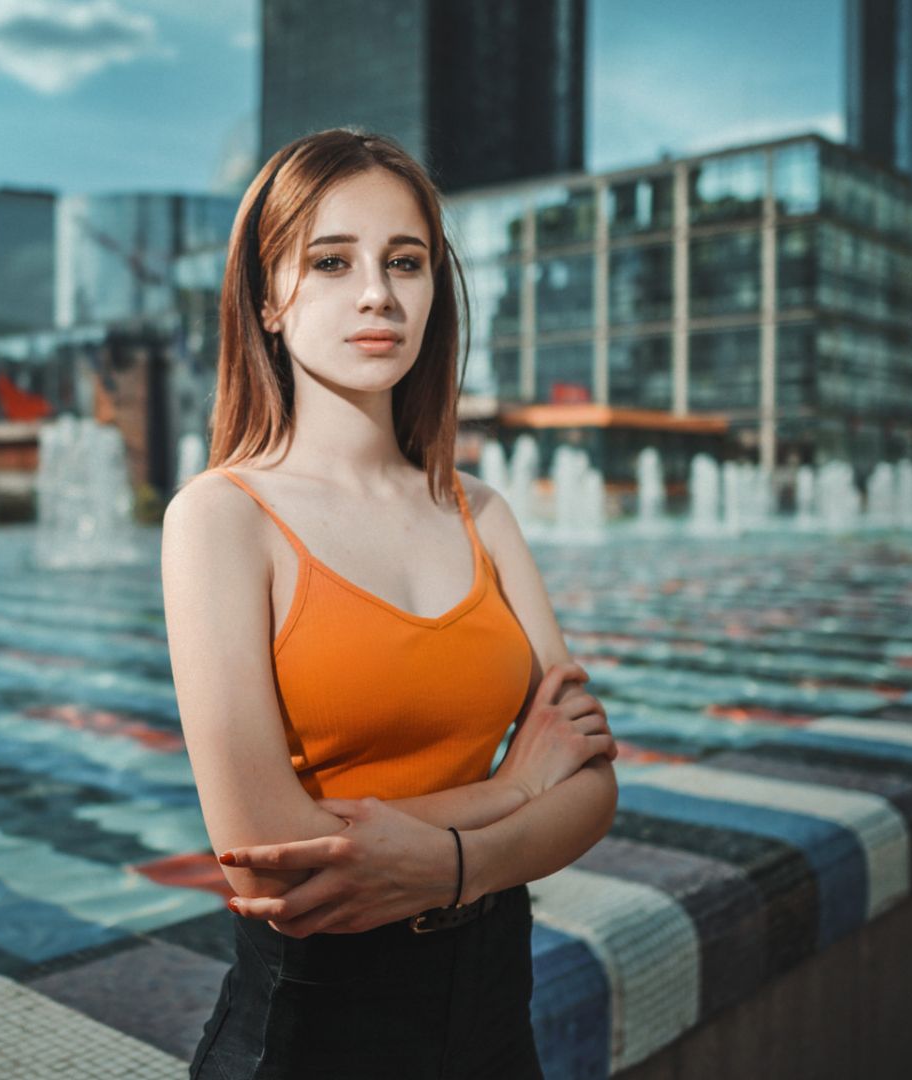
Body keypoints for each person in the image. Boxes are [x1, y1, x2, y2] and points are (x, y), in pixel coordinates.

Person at [160, 128, 621, 1079]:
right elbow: (263, 853)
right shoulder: (220, 518)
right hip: (312, 1029)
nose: (378, 292)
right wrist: (514, 793)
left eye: (404, 262)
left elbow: (594, 782)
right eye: (331, 261)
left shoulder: (479, 510)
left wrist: (449, 866)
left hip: (496, 1011)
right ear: (268, 302)